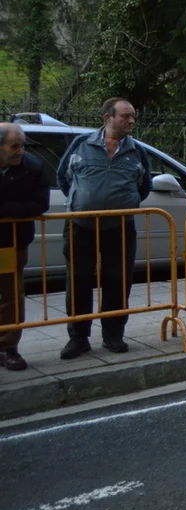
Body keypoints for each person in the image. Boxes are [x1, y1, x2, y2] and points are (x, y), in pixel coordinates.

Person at [55, 99, 151, 359]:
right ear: (108, 117)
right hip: (81, 225)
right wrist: (82, 201)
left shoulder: (136, 150)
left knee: (118, 280)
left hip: (120, 226)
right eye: (126, 116)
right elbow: (64, 177)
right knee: (78, 280)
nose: (131, 120)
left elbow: (144, 186)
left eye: (133, 116)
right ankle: (78, 337)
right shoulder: (81, 144)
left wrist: (125, 202)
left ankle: (113, 335)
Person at [0, 124, 50, 370]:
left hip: (10, 243)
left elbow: (40, 203)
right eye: (14, 146)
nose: (20, 151)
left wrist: (5, 210)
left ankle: (7, 346)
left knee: (11, 294)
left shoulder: (32, 167)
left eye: (22, 145)